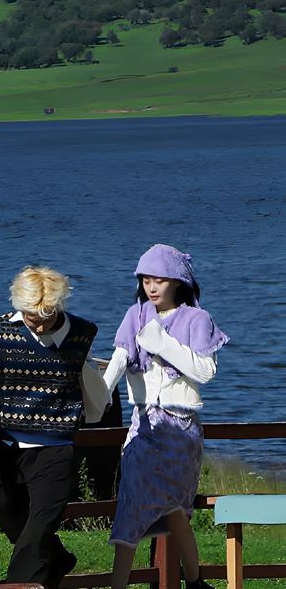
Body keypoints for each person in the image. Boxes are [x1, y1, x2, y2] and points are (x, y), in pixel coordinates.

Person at [0, 265, 110, 589]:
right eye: (30, 316)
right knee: (5, 510)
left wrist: (93, 410)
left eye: (45, 317)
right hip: (7, 444)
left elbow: (93, 383)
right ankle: (59, 559)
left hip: (56, 448)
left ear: (59, 305)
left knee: (38, 531)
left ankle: (16, 586)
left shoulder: (80, 335)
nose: (37, 324)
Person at [103, 244, 229, 589]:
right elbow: (120, 357)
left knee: (175, 512)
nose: (152, 287)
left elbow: (205, 371)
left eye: (159, 280)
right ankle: (118, 586)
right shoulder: (136, 315)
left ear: (177, 281)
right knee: (130, 505)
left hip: (181, 430)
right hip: (144, 425)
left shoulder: (197, 319)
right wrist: (100, 392)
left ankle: (195, 581)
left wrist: (162, 344)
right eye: (146, 280)